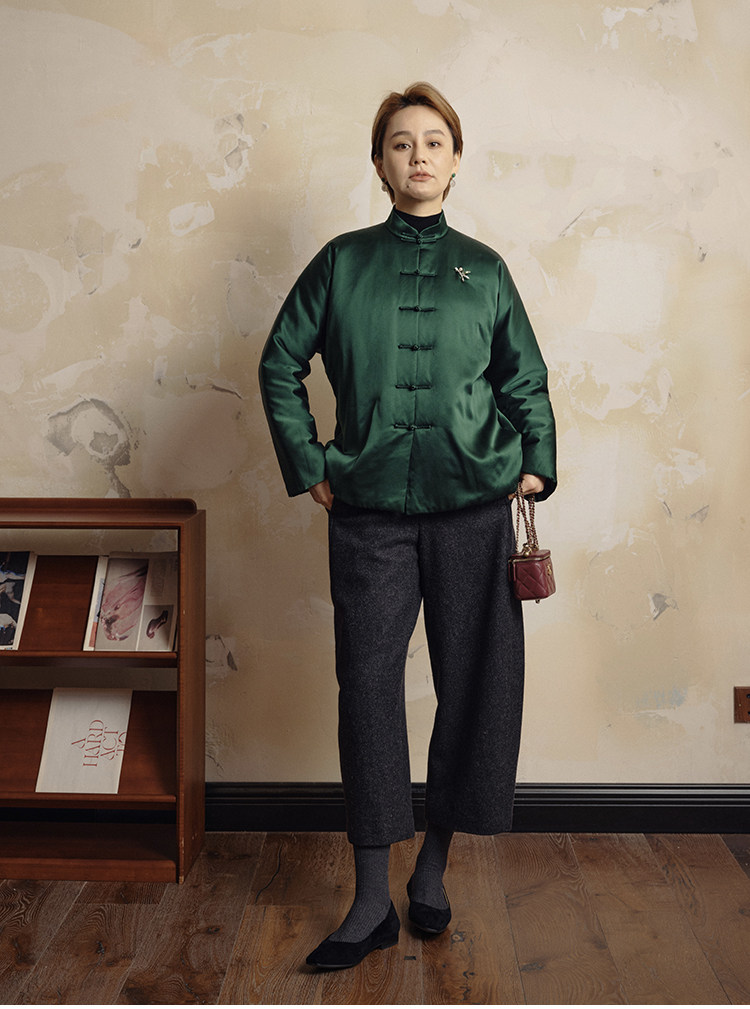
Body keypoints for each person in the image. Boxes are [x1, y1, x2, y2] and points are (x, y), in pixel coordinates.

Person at [259, 82, 556, 970]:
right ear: (380, 163)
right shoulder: (340, 263)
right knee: (367, 688)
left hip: (474, 510)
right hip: (368, 516)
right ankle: (367, 900)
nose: (418, 154)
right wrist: (311, 464)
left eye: (434, 141)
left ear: (456, 161)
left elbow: (524, 378)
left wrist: (536, 458)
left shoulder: (486, 270)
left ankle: (433, 868)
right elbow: (279, 361)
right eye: (400, 142)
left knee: (475, 684)